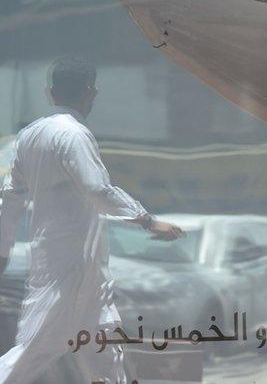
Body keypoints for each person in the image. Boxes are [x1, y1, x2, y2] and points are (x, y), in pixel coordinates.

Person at [0, 58, 184, 384]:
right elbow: (97, 189)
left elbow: (10, 201)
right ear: (91, 92)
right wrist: (147, 220)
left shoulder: (29, 137)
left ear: (50, 92)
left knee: (104, 349)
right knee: (30, 354)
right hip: (68, 270)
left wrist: (2, 253)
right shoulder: (73, 135)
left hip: (76, 269)